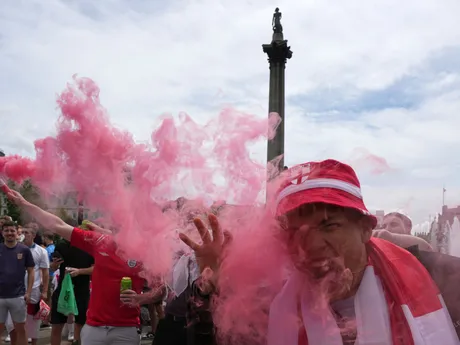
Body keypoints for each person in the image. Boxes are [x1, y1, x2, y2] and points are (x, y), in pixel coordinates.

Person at [180, 159, 459, 345]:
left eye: (328, 225)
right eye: (295, 231)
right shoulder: (273, 300)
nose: (311, 245)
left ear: (365, 229)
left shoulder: (432, 276)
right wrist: (211, 292)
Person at [5, 190, 145, 345]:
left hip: (126, 329)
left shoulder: (145, 252)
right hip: (94, 328)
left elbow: (162, 288)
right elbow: (58, 224)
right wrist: (24, 203)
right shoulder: (100, 241)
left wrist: (143, 298)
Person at [6, 226, 49, 345]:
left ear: (33, 235)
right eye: (22, 232)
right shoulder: (14, 248)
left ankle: (33, 342)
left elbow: (45, 272)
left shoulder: (42, 251)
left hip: (34, 290)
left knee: (32, 320)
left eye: (26, 232)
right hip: (15, 290)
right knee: (12, 321)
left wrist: (45, 291)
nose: (24, 234)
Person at [49, 234, 94, 345]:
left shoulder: (89, 246)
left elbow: (96, 269)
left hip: (81, 290)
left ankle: (76, 342)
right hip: (63, 289)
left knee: (80, 325)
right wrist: (54, 265)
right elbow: (53, 267)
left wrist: (79, 271)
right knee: (56, 325)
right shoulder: (61, 245)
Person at [0, 221, 35, 345]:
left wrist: (29, 292)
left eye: (12, 231)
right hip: (0, 297)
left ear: (17, 233)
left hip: (18, 296)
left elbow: (31, 271)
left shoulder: (24, 250)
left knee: (20, 329)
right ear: (2, 232)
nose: (9, 233)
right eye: (6, 230)